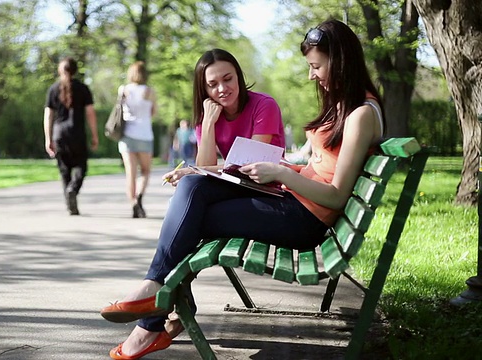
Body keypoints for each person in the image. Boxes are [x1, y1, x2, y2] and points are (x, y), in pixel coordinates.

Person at [100, 19, 385, 360]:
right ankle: (155, 307)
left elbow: (337, 195)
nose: (312, 76)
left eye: (316, 67)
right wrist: (286, 171)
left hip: (303, 219)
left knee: (191, 218)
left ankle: (154, 315)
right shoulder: (347, 107)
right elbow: (320, 169)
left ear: (339, 61)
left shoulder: (361, 115)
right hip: (292, 202)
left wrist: (281, 172)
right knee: (193, 185)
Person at [100, 47, 288, 359]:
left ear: (239, 78)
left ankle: (153, 310)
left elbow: (253, 167)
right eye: (212, 84)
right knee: (191, 191)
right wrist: (210, 124)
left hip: (264, 195)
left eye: (228, 79)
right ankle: (155, 313)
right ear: (203, 89)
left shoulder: (263, 106)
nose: (221, 89)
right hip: (233, 194)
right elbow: (207, 165)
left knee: (191, 198)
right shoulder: (207, 115)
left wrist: (196, 170)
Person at [44, 56, 99, 215]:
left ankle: (70, 200)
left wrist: (48, 138)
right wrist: (94, 135)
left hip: (59, 135)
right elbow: (90, 113)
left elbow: (48, 115)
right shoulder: (83, 88)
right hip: (77, 134)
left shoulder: (53, 89)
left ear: (60, 70)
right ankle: (73, 189)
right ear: (75, 70)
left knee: (64, 170)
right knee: (81, 167)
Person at [117, 61, 157, 218]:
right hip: (145, 135)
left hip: (127, 136)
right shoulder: (149, 91)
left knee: (130, 173)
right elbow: (153, 112)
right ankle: (140, 195)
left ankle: (133, 202)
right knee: (145, 171)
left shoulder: (124, 89)